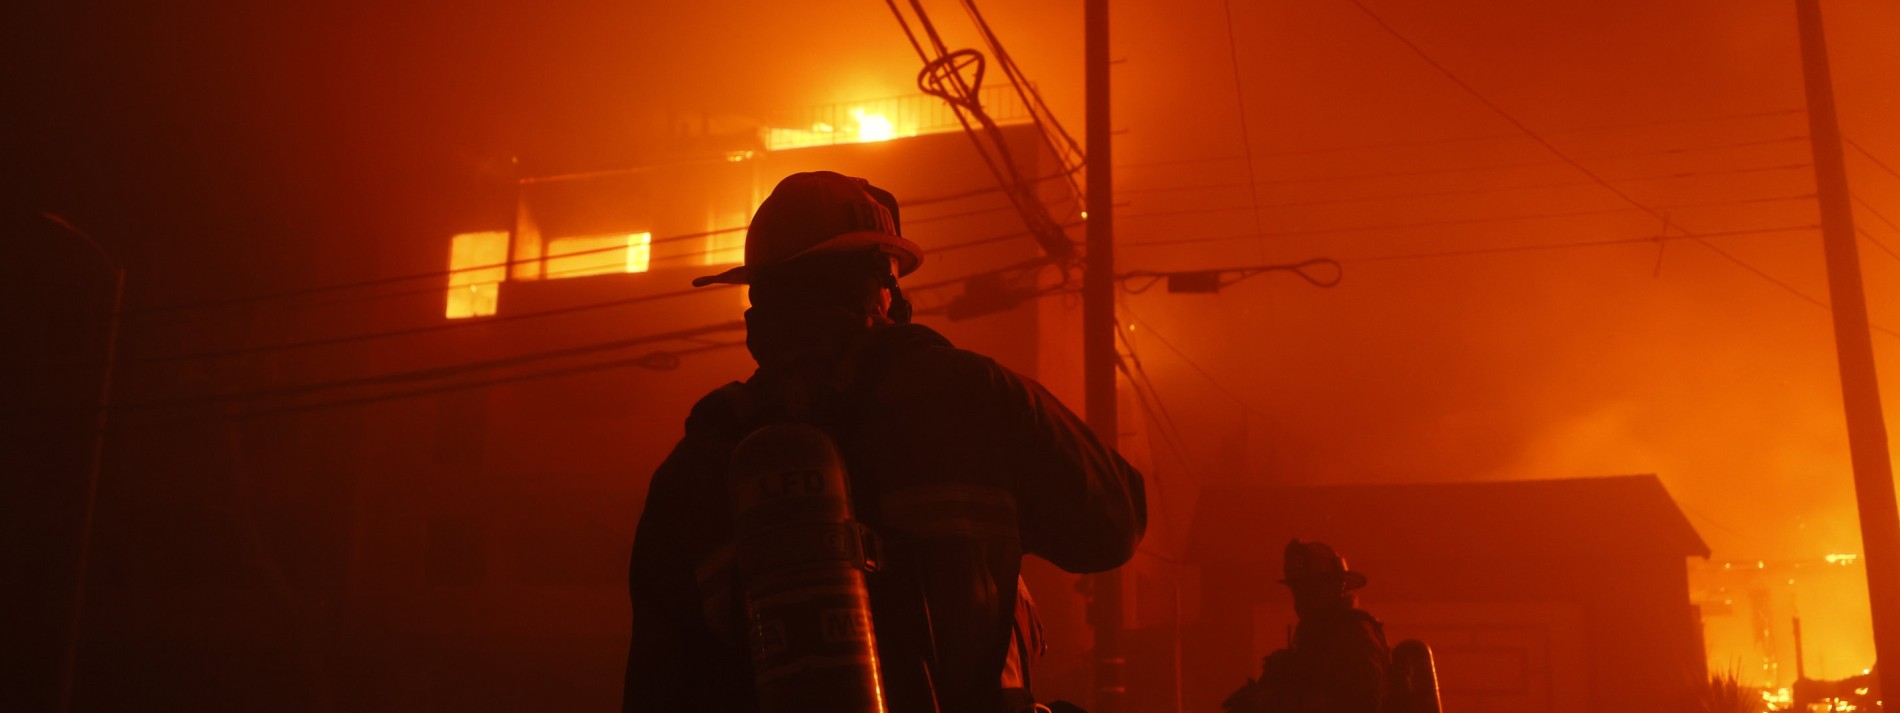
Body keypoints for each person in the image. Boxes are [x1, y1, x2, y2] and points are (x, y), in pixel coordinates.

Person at [623, 171, 1147, 713]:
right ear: (879, 284)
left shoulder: (698, 464)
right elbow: (1113, 524)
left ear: (759, 304)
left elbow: (657, 687)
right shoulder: (973, 396)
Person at [1223, 540, 1390, 713]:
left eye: (1310, 588)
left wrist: (1281, 701)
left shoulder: (1356, 634)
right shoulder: (1311, 639)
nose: (1301, 598)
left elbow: (1359, 702)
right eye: (1297, 589)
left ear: (1336, 586)